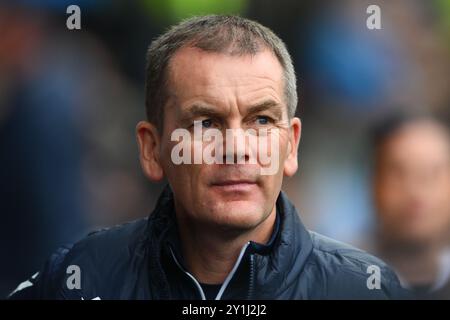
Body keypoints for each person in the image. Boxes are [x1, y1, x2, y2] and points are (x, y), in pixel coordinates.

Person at [9, 15, 406, 300]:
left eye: (261, 119)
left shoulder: (364, 289)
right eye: (206, 123)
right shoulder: (78, 281)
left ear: (291, 145)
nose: (236, 147)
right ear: (152, 149)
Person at [372, 113, 450, 299]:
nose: (416, 191)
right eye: (399, 173)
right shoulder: (334, 275)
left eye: (432, 173)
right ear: (374, 182)